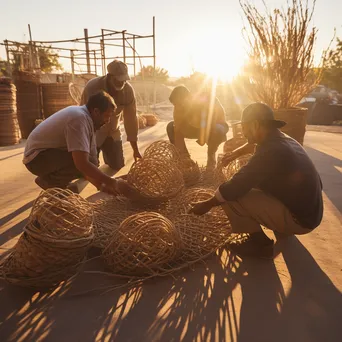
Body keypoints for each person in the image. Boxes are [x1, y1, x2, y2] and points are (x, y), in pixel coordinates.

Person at [190, 102, 323, 259]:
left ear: (255, 124)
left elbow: (235, 186)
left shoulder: (270, 152)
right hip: (311, 213)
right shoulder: (282, 139)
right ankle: (283, 225)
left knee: (230, 196)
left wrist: (207, 204)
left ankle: (260, 244)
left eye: (244, 127)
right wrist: (236, 153)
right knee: (257, 185)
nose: (243, 132)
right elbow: (252, 144)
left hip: (300, 220)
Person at [23, 91, 137, 197]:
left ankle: (54, 182)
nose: (107, 121)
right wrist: (113, 182)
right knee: (81, 161)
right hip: (36, 159)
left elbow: (90, 162)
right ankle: (50, 182)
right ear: (96, 111)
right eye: (107, 116)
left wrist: (101, 185)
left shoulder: (87, 119)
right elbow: (82, 164)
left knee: (92, 162)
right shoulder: (79, 119)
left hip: (48, 155)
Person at [80, 60, 142, 171]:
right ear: (109, 76)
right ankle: (95, 153)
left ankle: (108, 152)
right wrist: (85, 142)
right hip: (94, 132)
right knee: (89, 168)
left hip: (113, 130)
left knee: (118, 165)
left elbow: (131, 119)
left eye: (124, 79)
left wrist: (135, 150)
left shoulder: (128, 90)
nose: (122, 83)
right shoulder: (93, 87)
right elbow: (83, 116)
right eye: (118, 80)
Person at [166, 85, 229, 167]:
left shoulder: (204, 100)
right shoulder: (178, 108)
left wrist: (203, 139)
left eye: (179, 104)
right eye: (175, 105)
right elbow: (177, 130)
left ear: (188, 98)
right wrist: (180, 153)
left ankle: (211, 159)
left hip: (216, 125)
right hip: (198, 128)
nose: (177, 107)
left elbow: (212, 121)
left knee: (216, 130)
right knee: (171, 126)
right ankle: (184, 159)